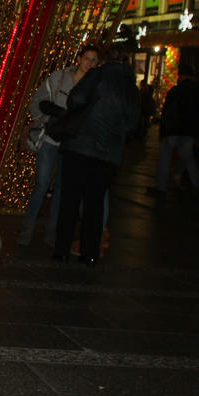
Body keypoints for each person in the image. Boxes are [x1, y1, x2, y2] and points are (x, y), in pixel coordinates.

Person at [53, 48, 139, 266]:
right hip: (108, 153)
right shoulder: (130, 86)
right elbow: (133, 122)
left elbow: (76, 98)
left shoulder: (96, 75)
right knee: (95, 202)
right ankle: (90, 252)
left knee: (70, 199)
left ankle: (62, 249)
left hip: (80, 145)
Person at [17, 44, 100, 247]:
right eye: (86, 58)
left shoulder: (94, 87)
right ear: (78, 59)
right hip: (51, 138)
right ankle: (27, 230)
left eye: (93, 60)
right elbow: (38, 101)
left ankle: (52, 233)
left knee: (62, 189)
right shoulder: (60, 77)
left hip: (73, 144)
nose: (89, 63)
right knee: (42, 184)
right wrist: (52, 113)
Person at [152, 64, 199, 198]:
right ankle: (198, 183)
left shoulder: (176, 91)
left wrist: (163, 130)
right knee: (188, 157)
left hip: (173, 129)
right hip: (189, 131)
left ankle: (160, 187)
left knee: (166, 157)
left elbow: (167, 112)